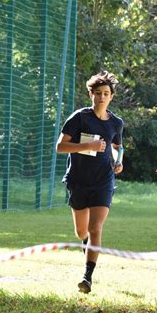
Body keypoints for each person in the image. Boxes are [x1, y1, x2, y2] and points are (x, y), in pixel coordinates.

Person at [56, 71, 124, 294]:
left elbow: (117, 147)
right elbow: (60, 147)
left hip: (104, 181)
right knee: (81, 232)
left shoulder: (116, 123)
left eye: (106, 93)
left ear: (111, 97)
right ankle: (85, 245)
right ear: (91, 94)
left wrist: (118, 162)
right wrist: (87, 147)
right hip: (78, 180)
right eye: (98, 93)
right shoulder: (79, 118)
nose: (102, 97)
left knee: (96, 228)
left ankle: (87, 277)